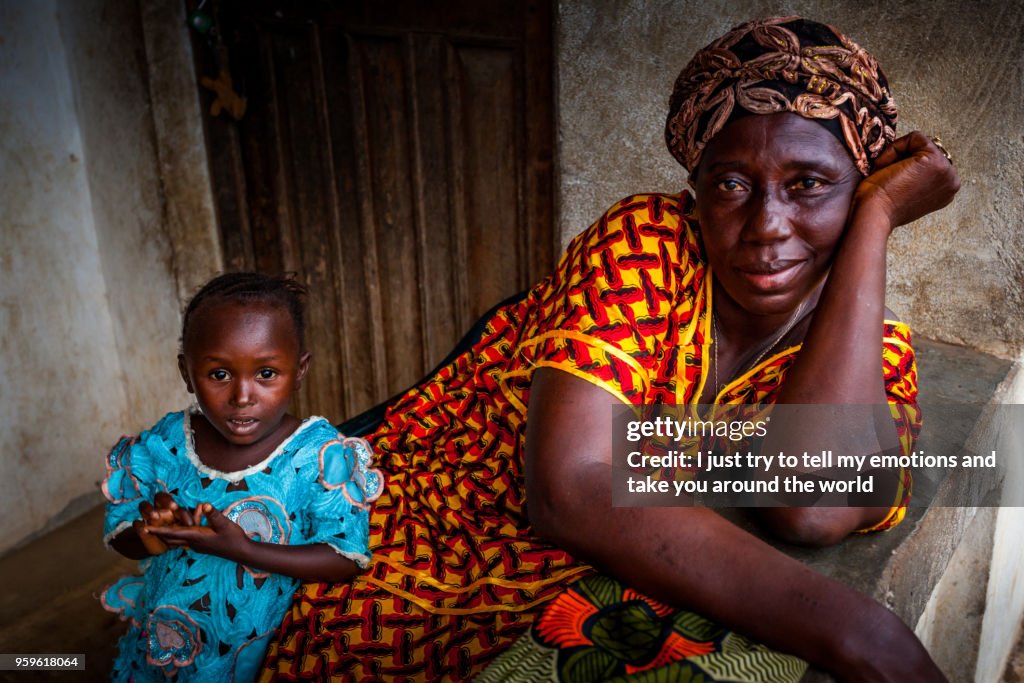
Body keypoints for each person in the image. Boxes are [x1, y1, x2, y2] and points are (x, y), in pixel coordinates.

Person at [260, 16, 959, 682]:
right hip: (420, 535)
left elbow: (811, 506)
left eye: (810, 185)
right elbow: (569, 485)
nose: (766, 226)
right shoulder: (647, 242)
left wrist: (876, 220)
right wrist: (857, 628)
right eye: (732, 185)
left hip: (550, 589)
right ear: (696, 188)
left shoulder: (870, 349)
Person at [100, 273, 382, 681]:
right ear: (187, 372)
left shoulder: (319, 456)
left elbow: (346, 558)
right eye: (219, 375)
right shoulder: (165, 445)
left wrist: (242, 548)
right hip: (163, 647)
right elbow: (124, 535)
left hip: (256, 660)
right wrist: (150, 533)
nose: (242, 396)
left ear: (300, 370)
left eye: (267, 373)